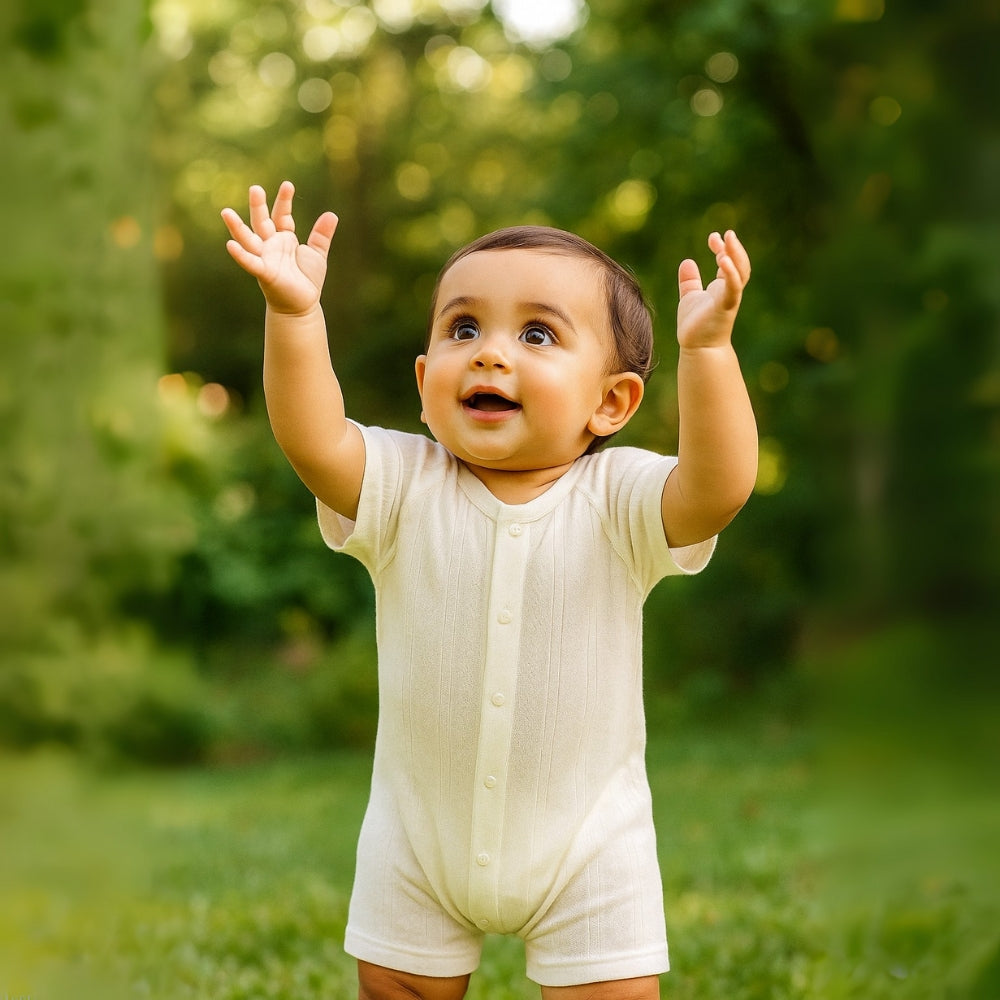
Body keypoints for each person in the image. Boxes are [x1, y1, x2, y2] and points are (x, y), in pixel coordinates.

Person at [221, 181, 757, 1000]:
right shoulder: (403, 485)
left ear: (611, 402)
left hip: (589, 849)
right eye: (462, 327)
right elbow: (313, 437)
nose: (490, 351)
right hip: (418, 843)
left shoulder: (619, 500)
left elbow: (717, 487)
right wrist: (295, 316)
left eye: (537, 333)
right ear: (425, 376)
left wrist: (710, 354)